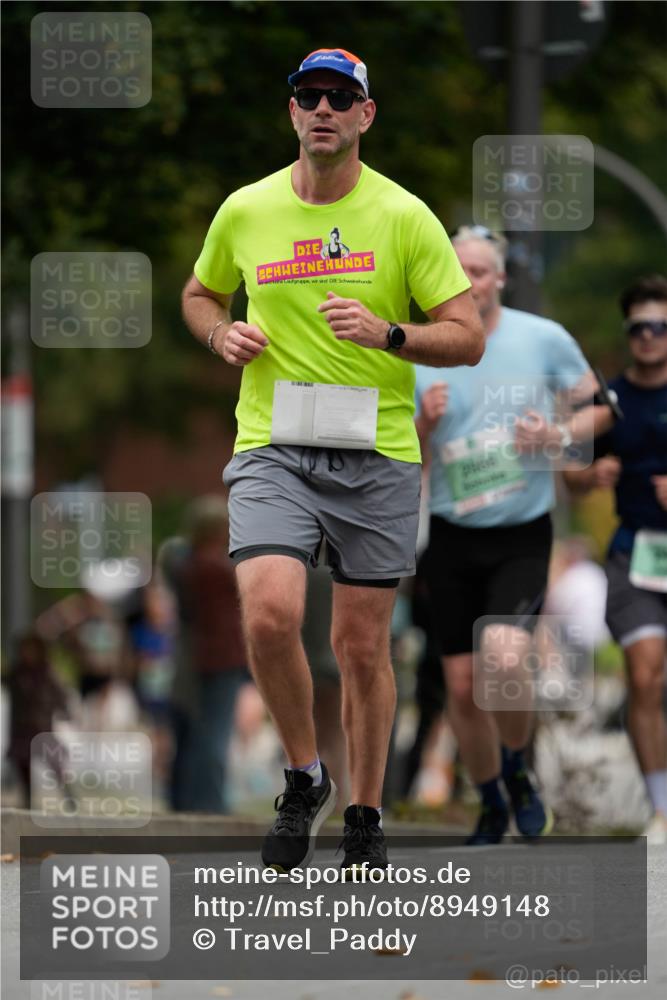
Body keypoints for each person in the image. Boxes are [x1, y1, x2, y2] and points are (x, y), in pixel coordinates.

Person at [181, 47, 483, 874]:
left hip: (375, 451)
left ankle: (364, 813)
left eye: (338, 98)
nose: (322, 109)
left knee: (358, 646)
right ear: (291, 112)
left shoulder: (403, 216)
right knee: (269, 613)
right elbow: (200, 292)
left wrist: (390, 333)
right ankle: (303, 775)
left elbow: (466, 337)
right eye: (308, 96)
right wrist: (219, 332)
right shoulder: (245, 209)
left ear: (363, 115)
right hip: (272, 443)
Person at [415, 225, 611, 844]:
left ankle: (518, 769)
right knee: (462, 688)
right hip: (450, 533)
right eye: (457, 271)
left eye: (478, 271)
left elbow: (600, 407)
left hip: (521, 532)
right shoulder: (420, 346)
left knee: (503, 655)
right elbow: (396, 457)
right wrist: (423, 424)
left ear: (499, 277)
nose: (468, 282)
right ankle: (491, 801)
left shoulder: (542, 338)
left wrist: (556, 434)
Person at [563, 274, 667, 844]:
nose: (648, 336)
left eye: (659, 327)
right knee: (645, 676)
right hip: (636, 557)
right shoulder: (610, 403)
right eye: (638, 328)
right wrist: (590, 475)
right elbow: (569, 473)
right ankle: (661, 808)